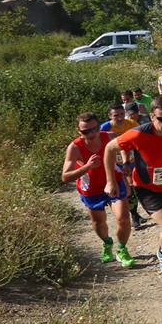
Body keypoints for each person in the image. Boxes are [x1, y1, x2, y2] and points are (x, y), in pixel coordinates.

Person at [105, 96, 162, 280]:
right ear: (152, 116)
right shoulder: (139, 134)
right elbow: (109, 148)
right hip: (148, 189)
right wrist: (111, 181)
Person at [62, 112, 134, 266]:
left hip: (114, 181)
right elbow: (65, 177)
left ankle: (121, 249)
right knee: (98, 222)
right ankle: (107, 243)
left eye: (94, 129)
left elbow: (124, 147)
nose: (91, 133)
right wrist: (87, 167)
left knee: (123, 218)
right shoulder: (75, 148)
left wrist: (126, 162)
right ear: (79, 131)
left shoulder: (109, 136)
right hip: (92, 189)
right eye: (86, 131)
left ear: (99, 126)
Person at [102, 103, 147, 228]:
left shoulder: (132, 123)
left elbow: (142, 137)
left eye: (122, 114)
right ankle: (134, 215)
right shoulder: (105, 128)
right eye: (116, 115)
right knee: (128, 189)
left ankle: (135, 214)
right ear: (110, 116)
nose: (120, 117)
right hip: (116, 162)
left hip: (132, 159)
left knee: (133, 186)